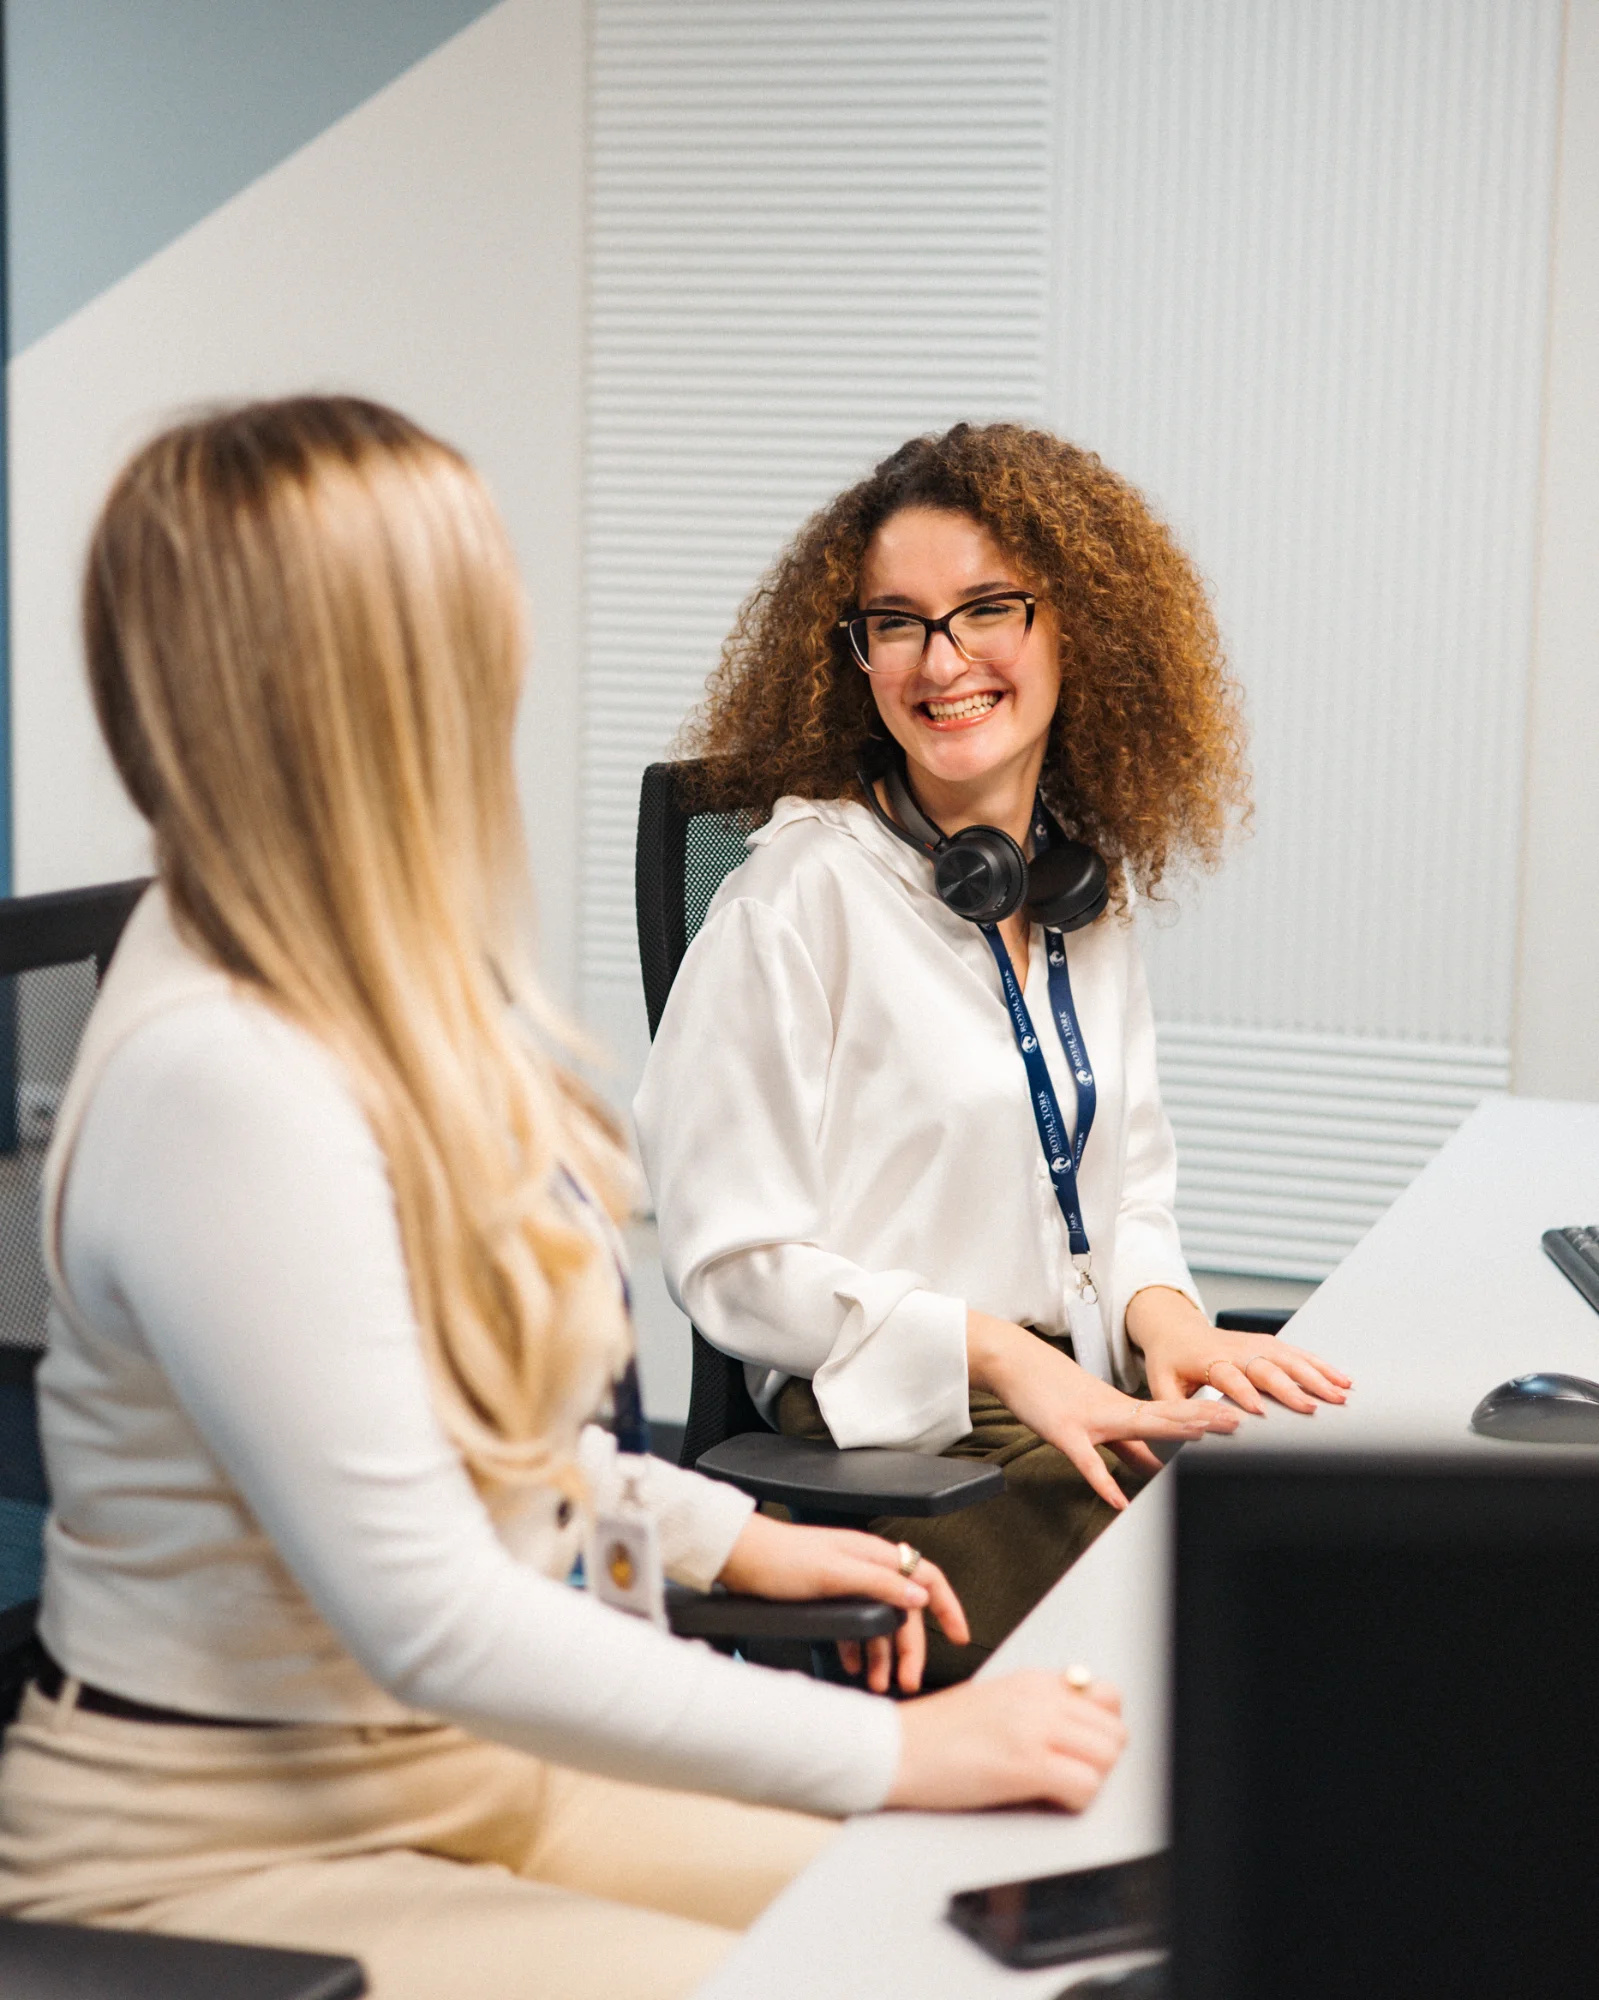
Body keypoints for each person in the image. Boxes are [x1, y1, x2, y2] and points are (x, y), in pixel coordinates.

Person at [0, 400, 1130, 2000]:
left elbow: (455, 1432)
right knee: (899, 1965)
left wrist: (719, 1531)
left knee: (984, 1909)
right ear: (371, 676)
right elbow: (434, 1617)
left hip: (469, 1772)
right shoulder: (222, 1075)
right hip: (234, 1853)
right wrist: (899, 1746)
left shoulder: (363, 979)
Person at [636, 422, 1352, 1685]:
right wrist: (1000, 1350)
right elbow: (731, 1264)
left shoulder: (1076, 889)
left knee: (1334, 1513)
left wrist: (1166, 1313)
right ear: (854, 657)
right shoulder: (789, 902)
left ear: (1077, 626)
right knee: (1247, 1613)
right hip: (890, 1433)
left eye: (986, 610)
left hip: (1064, 1385)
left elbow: (1127, 1179)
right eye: (896, 622)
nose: (943, 659)